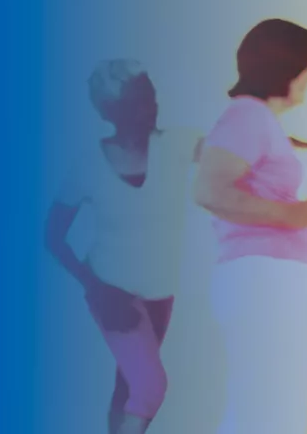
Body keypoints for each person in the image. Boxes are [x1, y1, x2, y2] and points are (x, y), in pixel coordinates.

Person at [195, 18, 307, 434]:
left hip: (266, 279)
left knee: (271, 404)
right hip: (261, 278)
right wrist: (296, 214)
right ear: (286, 65)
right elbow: (208, 189)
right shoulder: (247, 116)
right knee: (266, 406)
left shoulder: (258, 121)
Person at [44, 60, 202, 434]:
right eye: (138, 101)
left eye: (151, 97)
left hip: (161, 291)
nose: (151, 107)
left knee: (128, 385)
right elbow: (52, 235)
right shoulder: (88, 164)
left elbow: (230, 149)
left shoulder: (177, 144)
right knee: (150, 387)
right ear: (110, 110)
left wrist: (277, 140)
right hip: (112, 288)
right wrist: (97, 289)